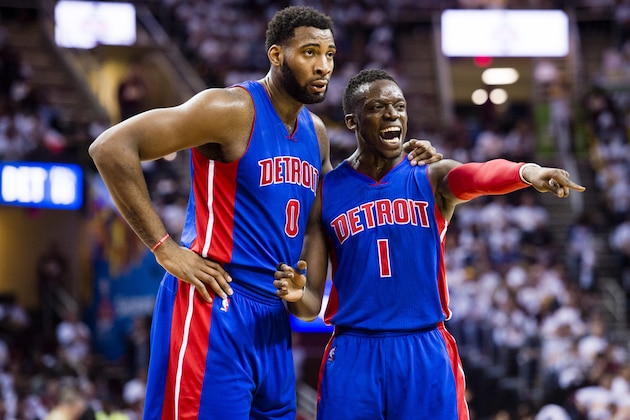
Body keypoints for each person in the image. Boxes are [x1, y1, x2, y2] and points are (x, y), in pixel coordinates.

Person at [88, 7, 440, 419]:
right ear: (276, 55)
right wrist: (165, 248)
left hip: (273, 317)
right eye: (309, 52)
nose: (323, 66)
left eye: (329, 54)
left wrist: (408, 165)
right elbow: (111, 148)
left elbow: (326, 217)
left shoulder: (317, 133)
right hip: (215, 302)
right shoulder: (229, 109)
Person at [274, 69, 586, 419]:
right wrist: (298, 294)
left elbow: (478, 175)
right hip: (353, 350)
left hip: (423, 346)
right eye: (378, 107)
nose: (392, 114)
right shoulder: (326, 190)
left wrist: (527, 172)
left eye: (399, 106)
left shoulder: (430, 174)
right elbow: (309, 306)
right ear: (352, 120)